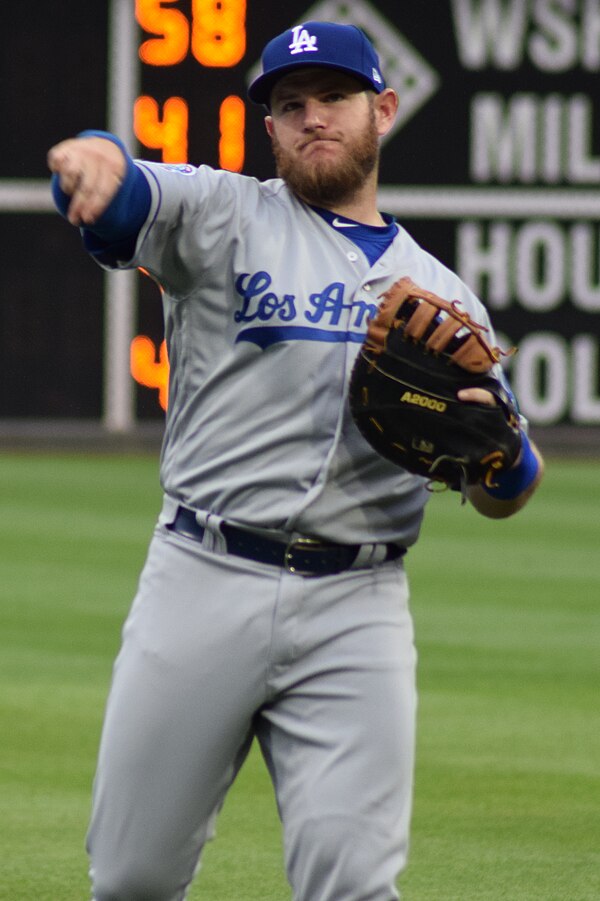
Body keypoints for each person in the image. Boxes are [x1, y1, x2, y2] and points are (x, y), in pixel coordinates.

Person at [47, 20, 544, 901]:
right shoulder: (222, 214)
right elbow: (130, 194)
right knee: (131, 877)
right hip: (203, 574)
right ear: (269, 128)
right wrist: (95, 161)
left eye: (335, 99)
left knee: (353, 884)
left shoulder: (446, 298)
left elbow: (505, 484)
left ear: (382, 111)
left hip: (358, 602)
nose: (313, 118)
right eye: (290, 105)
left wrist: (502, 457)